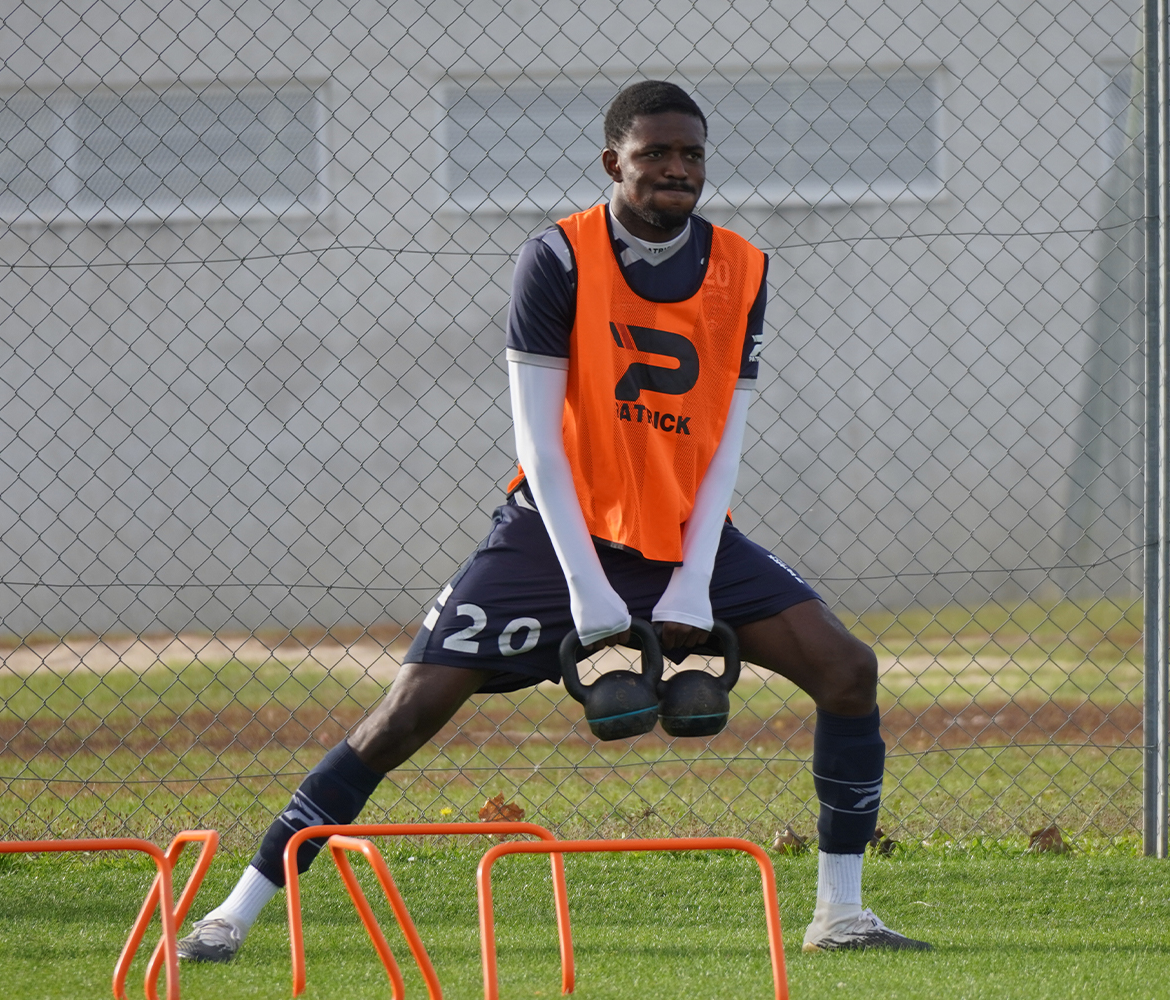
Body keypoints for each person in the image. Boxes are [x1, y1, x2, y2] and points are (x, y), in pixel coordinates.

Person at [176, 80, 930, 961]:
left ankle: (840, 914)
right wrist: (589, 594)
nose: (677, 171)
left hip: (687, 532)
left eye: (692, 155)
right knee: (405, 715)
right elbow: (538, 440)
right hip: (555, 530)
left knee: (847, 669)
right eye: (655, 156)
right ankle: (236, 910)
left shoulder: (744, 267)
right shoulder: (558, 258)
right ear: (614, 162)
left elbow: (726, 433)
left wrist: (692, 577)